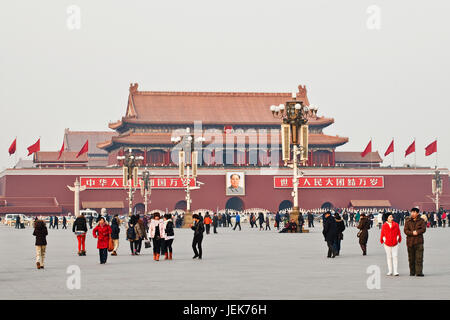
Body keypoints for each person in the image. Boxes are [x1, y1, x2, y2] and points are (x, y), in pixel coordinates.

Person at [404, 207, 426, 276]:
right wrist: (412, 233)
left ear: (417, 213)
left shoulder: (421, 221)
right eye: (412, 212)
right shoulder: (407, 221)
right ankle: (412, 272)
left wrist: (417, 232)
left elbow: (423, 229)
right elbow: (405, 230)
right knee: (411, 258)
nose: (412, 214)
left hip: (419, 242)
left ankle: (419, 272)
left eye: (414, 212)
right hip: (410, 242)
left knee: (419, 258)